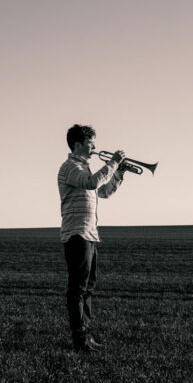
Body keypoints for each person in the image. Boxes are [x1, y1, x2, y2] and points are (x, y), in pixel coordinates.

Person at [57, 124, 127, 352]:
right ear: (78, 144)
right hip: (76, 234)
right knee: (77, 288)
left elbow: (103, 192)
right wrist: (113, 162)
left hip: (89, 234)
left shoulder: (86, 170)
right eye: (90, 143)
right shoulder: (70, 168)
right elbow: (92, 183)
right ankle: (80, 339)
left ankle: (87, 336)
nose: (94, 147)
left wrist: (118, 174)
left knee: (88, 288)